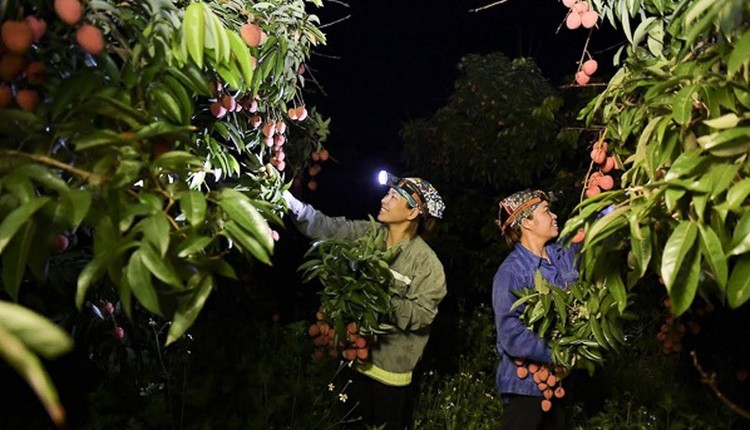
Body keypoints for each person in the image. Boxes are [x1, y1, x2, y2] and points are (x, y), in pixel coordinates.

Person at [284, 172, 447, 430]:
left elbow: (423, 315)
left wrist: (380, 296)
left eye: (393, 197)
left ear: (413, 212)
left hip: (390, 378)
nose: (384, 200)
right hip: (353, 363)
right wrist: (291, 203)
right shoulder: (367, 234)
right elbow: (329, 228)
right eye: (387, 194)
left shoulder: (428, 265)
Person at [492, 189, 580, 430]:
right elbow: (510, 334)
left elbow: (594, 235)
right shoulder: (511, 273)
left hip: (558, 384)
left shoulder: (562, 255)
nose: (554, 216)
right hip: (526, 388)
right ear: (527, 223)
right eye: (546, 211)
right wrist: (557, 352)